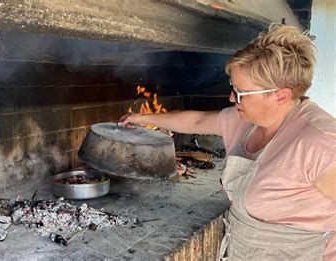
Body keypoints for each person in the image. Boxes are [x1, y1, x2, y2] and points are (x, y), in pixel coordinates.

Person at [118, 24, 336, 260]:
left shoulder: (321, 144)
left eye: (240, 92)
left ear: (280, 95)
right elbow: (198, 120)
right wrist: (141, 118)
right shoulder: (246, 120)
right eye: (233, 87)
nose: (232, 98)